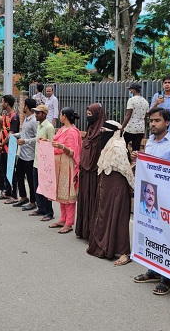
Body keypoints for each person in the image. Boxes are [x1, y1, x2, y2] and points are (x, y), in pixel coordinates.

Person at [133, 107, 170, 296]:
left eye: (157, 121)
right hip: (149, 197)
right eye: (151, 121)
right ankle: (153, 270)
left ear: (167, 123)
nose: (153, 124)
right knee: (151, 233)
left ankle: (167, 278)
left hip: (166, 199)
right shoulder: (149, 144)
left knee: (167, 237)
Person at [86, 120, 135, 266]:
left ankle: (124, 252)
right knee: (105, 215)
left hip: (117, 186)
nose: (102, 133)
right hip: (106, 185)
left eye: (104, 131)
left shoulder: (118, 146)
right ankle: (105, 246)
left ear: (113, 132)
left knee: (118, 217)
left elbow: (125, 169)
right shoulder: (108, 145)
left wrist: (132, 186)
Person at [48, 107, 82, 234]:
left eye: (61, 114)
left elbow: (74, 152)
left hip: (67, 164)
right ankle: (62, 218)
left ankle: (69, 222)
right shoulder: (62, 129)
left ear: (64, 116)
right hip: (59, 164)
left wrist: (62, 147)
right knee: (61, 192)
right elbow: (55, 142)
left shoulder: (73, 132)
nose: (59, 116)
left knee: (68, 194)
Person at [75, 103, 106, 240]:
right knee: (84, 199)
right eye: (87, 115)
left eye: (90, 115)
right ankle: (83, 230)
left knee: (93, 200)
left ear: (98, 115)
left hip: (94, 174)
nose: (88, 117)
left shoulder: (103, 134)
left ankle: (92, 231)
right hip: (85, 172)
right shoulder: (90, 130)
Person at [29, 105, 56, 220]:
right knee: (37, 187)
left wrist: (47, 142)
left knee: (46, 188)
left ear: (44, 114)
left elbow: (52, 144)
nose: (36, 115)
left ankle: (49, 212)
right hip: (37, 161)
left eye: (38, 113)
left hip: (45, 163)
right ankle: (41, 208)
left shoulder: (49, 127)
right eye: (35, 113)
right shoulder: (39, 125)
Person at [13, 98, 39, 211]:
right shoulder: (26, 119)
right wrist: (16, 135)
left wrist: (26, 141)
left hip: (30, 155)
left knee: (30, 179)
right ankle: (23, 197)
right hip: (22, 154)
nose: (22, 108)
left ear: (27, 107)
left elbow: (38, 137)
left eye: (24, 105)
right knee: (18, 174)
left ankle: (33, 202)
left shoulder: (34, 121)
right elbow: (25, 133)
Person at [0, 95, 20, 202]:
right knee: (4, 170)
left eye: (2, 102)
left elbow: (11, 134)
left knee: (11, 170)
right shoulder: (4, 115)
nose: (1, 104)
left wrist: (3, 144)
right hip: (2, 147)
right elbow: (2, 131)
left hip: (10, 148)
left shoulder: (14, 117)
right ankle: (6, 192)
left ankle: (14, 195)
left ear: (6, 103)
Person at [121, 83, 149, 151]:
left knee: (123, 144)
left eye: (130, 90)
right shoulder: (145, 102)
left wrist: (122, 127)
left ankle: (126, 159)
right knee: (136, 148)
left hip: (130, 128)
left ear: (133, 90)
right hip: (140, 129)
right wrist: (144, 130)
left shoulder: (131, 100)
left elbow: (128, 115)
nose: (130, 92)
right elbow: (145, 117)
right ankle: (135, 161)